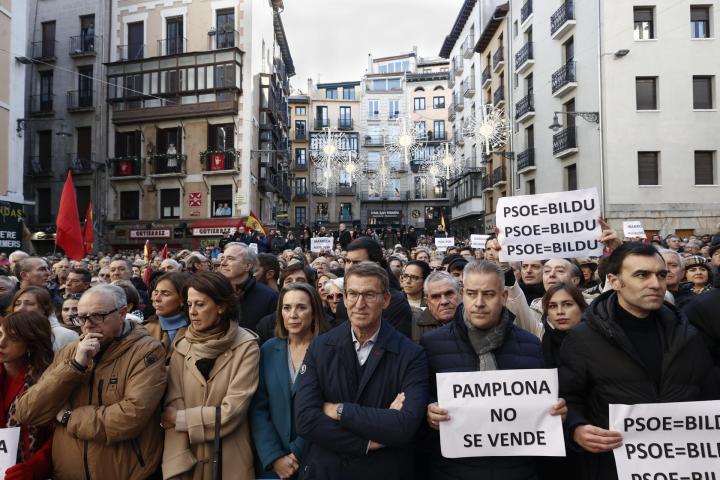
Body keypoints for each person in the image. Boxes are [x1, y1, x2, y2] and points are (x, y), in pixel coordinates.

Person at [559, 243, 719, 480]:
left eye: (661, 275)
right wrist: (576, 428)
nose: (655, 284)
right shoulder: (583, 339)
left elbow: (709, 393)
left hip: (685, 467)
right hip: (612, 467)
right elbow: (568, 398)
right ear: (614, 281)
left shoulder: (688, 335)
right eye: (642, 275)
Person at [421, 261, 567, 479]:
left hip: (517, 470)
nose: (479, 303)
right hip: (454, 470)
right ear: (463, 294)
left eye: (488, 294)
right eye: (472, 293)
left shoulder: (530, 345)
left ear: (504, 297)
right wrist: (428, 410)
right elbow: (419, 398)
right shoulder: (431, 344)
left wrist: (557, 411)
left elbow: (540, 403)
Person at [15, 284, 167, 480]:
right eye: (82, 317)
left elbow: (130, 418)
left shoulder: (147, 351)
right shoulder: (71, 351)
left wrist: (69, 418)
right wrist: (75, 366)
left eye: (98, 316)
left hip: (126, 472)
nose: (87, 324)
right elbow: (27, 411)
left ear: (122, 314)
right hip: (68, 472)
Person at [294, 262, 429, 480]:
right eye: (353, 294)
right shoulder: (320, 347)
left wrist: (339, 411)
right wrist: (365, 442)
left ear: (385, 300)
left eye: (369, 295)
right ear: (345, 298)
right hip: (328, 471)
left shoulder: (411, 354)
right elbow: (306, 420)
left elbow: (403, 426)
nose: (359, 304)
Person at [161, 272, 260, 480]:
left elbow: (232, 412)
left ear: (221, 307)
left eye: (200, 304)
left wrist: (181, 419)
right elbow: (173, 404)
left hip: (231, 459)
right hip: (188, 461)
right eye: (189, 305)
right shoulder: (182, 347)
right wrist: (175, 466)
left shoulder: (246, 346)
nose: (192, 312)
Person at [250, 283, 329, 479]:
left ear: (314, 312)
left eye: (301, 307)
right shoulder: (268, 349)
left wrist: (297, 453)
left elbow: (327, 409)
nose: (293, 314)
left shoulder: (328, 351)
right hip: (271, 464)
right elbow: (258, 408)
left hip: (314, 459)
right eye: (287, 307)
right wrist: (274, 456)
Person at [0, 310, 55, 480]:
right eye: (0, 333)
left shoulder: (47, 383)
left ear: (31, 344)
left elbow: (57, 437)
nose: (1, 343)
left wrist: (34, 467)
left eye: (13, 338)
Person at [333, 237, 413, 338]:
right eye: (348, 261)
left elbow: (399, 346)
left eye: (357, 263)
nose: (349, 267)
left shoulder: (396, 303)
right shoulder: (344, 301)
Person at [219, 242, 278, 331]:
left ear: (247, 266)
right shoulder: (213, 292)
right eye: (222, 258)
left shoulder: (270, 297)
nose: (223, 263)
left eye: (230, 259)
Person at [11, 286, 79, 351]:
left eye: (29, 304)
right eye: (17, 304)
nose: (20, 308)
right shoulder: (7, 331)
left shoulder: (65, 336)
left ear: (43, 309)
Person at [541, 283, 588, 368]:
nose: (560, 312)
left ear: (581, 308)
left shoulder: (598, 341)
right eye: (553, 306)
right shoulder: (541, 344)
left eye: (567, 304)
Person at [145, 271, 189, 356]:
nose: (157, 299)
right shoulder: (144, 330)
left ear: (182, 299)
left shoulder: (196, 331)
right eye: (156, 293)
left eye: (165, 294)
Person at [412, 271, 461, 343]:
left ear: (461, 294)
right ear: (427, 302)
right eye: (436, 297)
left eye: (449, 294)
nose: (444, 301)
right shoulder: (413, 325)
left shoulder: (476, 321)